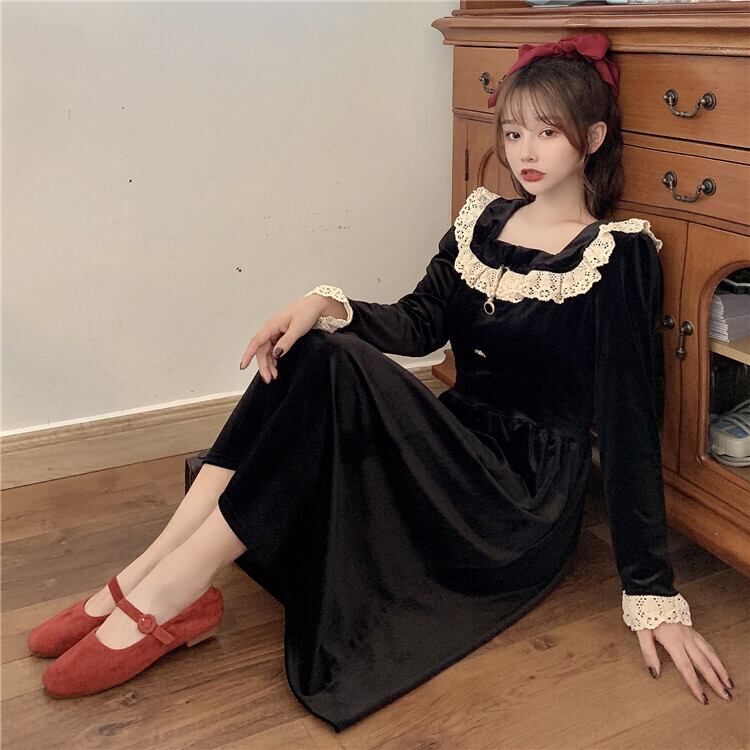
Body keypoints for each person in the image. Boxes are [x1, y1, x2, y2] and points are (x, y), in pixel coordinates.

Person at [30, 32, 734, 730]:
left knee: (332, 363)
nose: (526, 151)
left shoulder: (617, 255)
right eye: (514, 132)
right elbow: (420, 322)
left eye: (548, 133)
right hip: (458, 442)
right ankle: (148, 574)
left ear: (593, 137)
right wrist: (325, 303)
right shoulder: (483, 221)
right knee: (312, 345)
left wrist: (652, 594)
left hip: (516, 497)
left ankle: (172, 593)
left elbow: (629, 421)